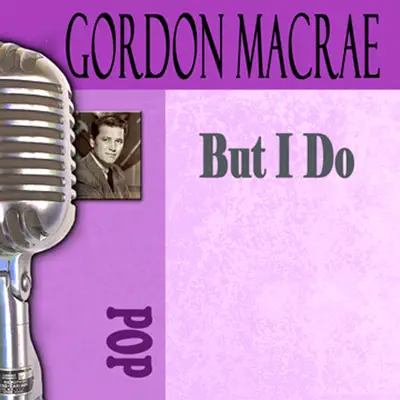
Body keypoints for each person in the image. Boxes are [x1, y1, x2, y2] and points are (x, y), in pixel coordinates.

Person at [75, 115, 131, 200]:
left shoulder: (118, 172)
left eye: (118, 141)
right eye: (106, 140)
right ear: (92, 141)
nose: (113, 148)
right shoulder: (80, 175)